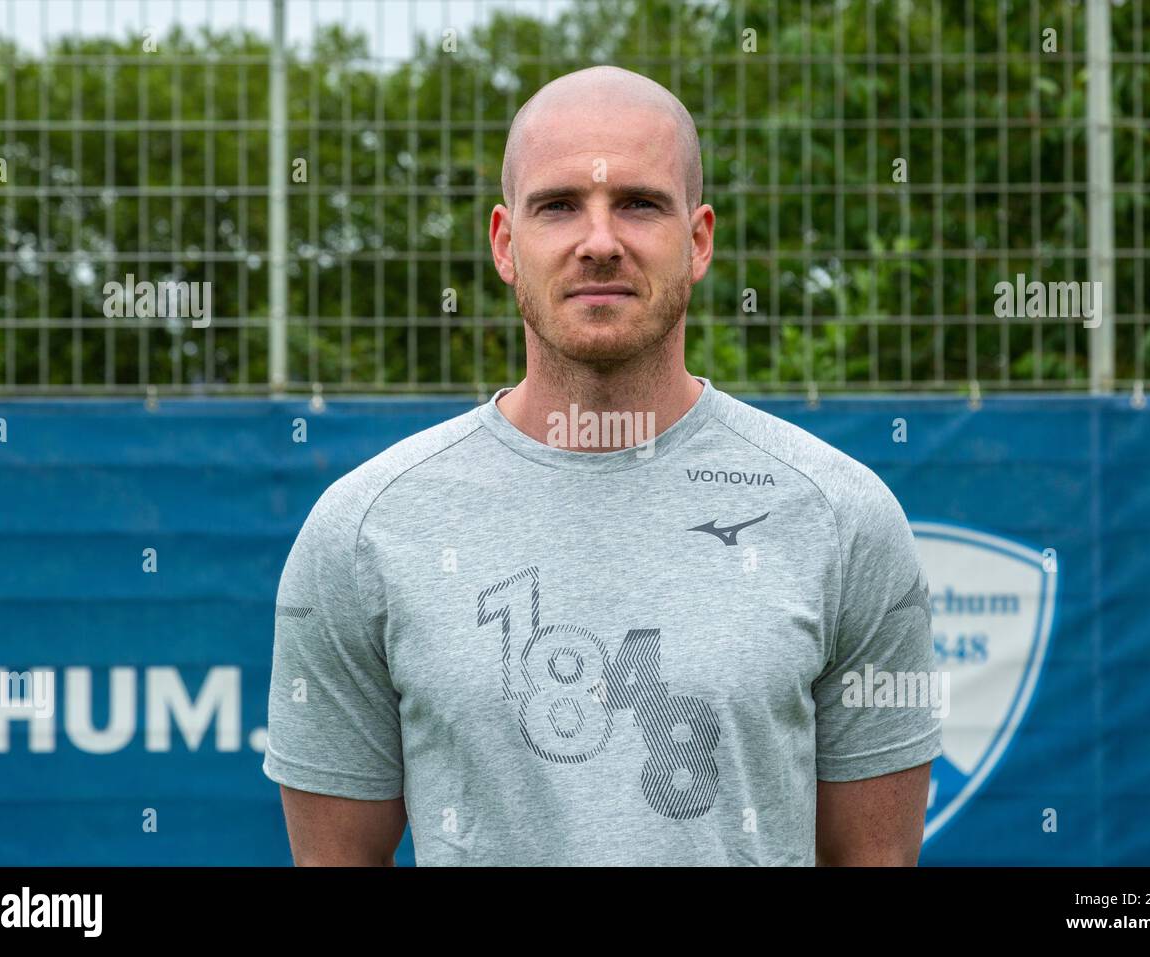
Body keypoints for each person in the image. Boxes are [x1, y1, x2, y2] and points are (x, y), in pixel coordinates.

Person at [263, 65, 940, 866]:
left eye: (639, 203)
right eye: (558, 206)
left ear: (699, 241)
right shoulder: (362, 531)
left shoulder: (842, 517)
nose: (599, 241)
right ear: (506, 244)